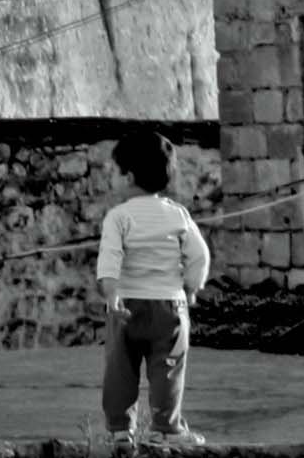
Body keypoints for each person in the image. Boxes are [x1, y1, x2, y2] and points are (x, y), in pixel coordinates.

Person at [96, 122, 210, 450]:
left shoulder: (118, 217)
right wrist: (191, 286)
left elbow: (110, 257)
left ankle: (119, 430)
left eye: (114, 171)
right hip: (168, 306)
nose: (111, 177)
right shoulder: (178, 214)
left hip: (126, 305)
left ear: (129, 177)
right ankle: (165, 428)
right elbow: (199, 255)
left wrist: (112, 291)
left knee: (120, 369)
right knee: (167, 369)